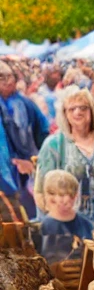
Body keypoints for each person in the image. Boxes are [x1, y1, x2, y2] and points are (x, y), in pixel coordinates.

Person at [34, 85, 94, 224]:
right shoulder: (53, 145)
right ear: (64, 114)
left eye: (83, 108)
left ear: (92, 111)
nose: (78, 112)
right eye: (72, 109)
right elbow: (40, 193)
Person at [0, 60, 48, 217]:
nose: (6, 81)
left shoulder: (26, 104)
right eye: (1, 77)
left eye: (9, 76)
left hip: (27, 172)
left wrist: (38, 162)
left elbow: (42, 134)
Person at [32, 168, 93, 266]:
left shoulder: (87, 226)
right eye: (52, 193)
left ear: (75, 196)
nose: (58, 199)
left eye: (64, 194)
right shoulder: (38, 229)